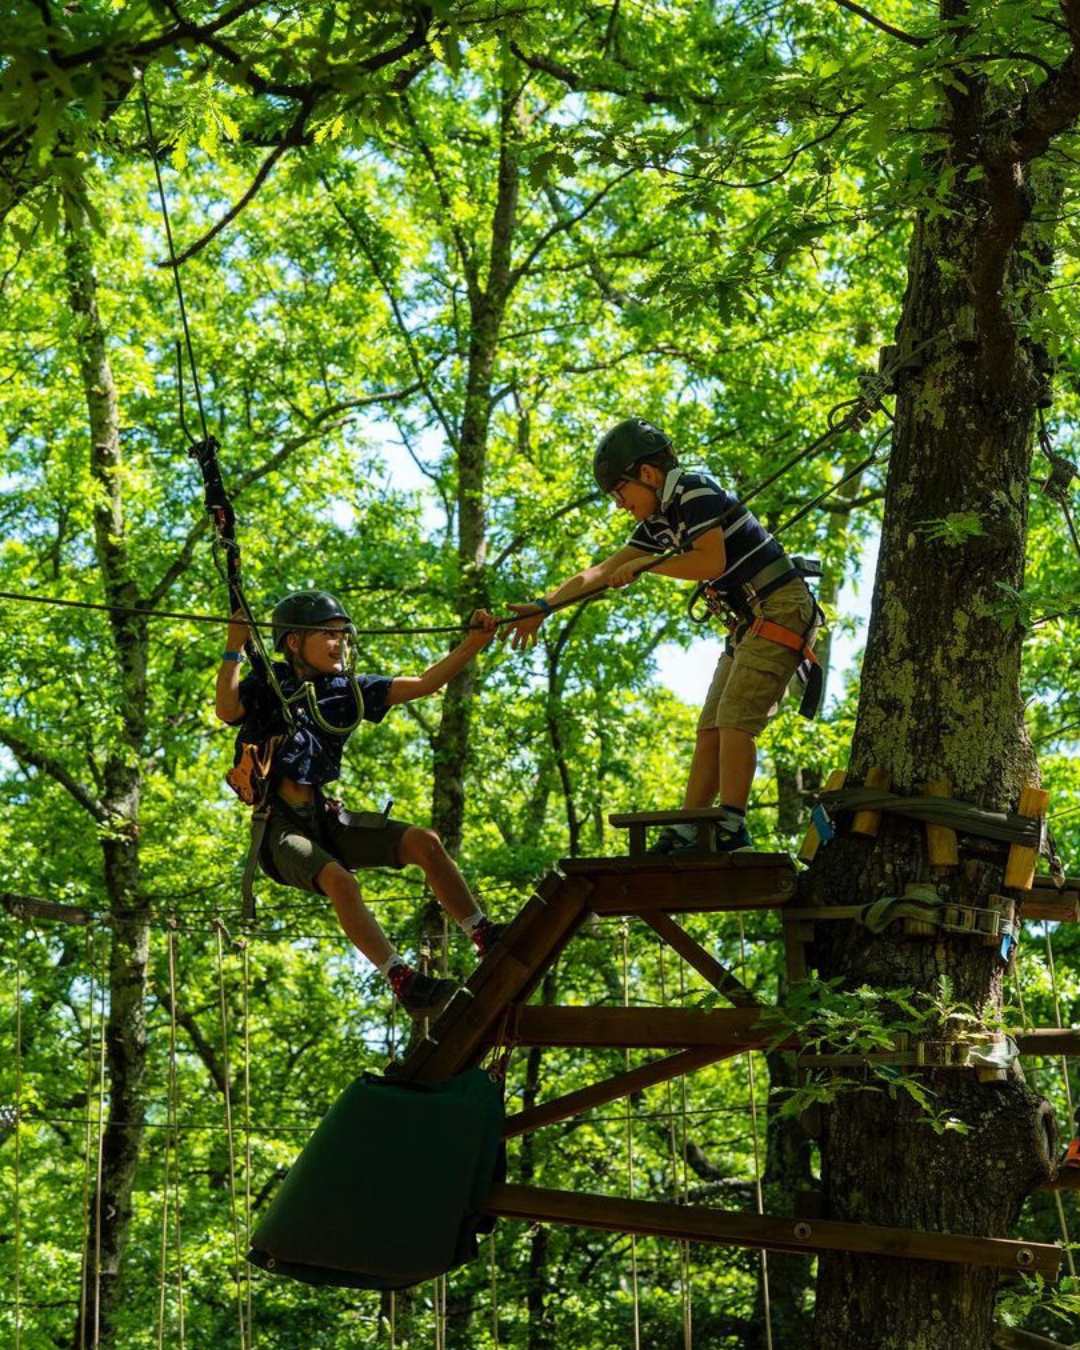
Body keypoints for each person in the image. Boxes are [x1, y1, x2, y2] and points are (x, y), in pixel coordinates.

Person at [503, 418, 820, 855]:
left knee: (734, 718)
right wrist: (545, 606)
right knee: (710, 726)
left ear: (648, 476)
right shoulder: (659, 522)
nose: (619, 505)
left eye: (620, 493)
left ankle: (731, 827)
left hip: (780, 606)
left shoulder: (694, 490)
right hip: (749, 619)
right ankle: (691, 826)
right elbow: (598, 572)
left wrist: (646, 567)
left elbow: (709, 561)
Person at [216, 590, 504, 1017]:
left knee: (424, 842)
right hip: (280, 828)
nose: (340, 644)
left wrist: (473, 643)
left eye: (343, 636)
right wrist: (233, 648)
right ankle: (401, 978)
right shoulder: (267, 683)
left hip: (326, 819)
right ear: (293, 642)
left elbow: (425, 684)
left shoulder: (345, 691)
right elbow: (226, 709)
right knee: (342, 883)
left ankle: (482, 933)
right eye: (328, 635)